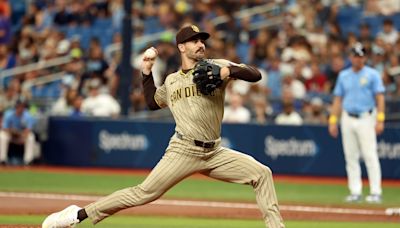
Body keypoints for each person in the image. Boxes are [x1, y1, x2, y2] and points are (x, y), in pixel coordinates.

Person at [42, 25, 285, 228]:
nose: (200, 44)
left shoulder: (215, 65)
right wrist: (146, 73)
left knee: (262, 173)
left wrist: (228, 71)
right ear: (181, 47)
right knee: (143, 193)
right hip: (183, 150)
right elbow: (151, 103)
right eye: (194, 41)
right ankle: (77, 215)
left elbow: (255, 75)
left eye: (202, 40)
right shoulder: (172, 80)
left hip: (215, 152)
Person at [328, 42, 385, 203]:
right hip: (347, 117)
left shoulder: (372, 74)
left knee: (370, 155)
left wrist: (380, 119)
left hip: (366, 117)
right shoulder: (344, 75)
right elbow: (338, 99)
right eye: (354, 56)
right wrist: (333, 120)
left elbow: (380, 97)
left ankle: (375, 192)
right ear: (350, 57)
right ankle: (355, 191)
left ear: (365, 58)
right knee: (351, 156)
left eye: (360, 56)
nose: (357, 59)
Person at [0, 99, 37, 165]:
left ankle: (28, 160)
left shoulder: (27, 115)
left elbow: (28, 130)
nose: (21, 108)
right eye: (19, 106)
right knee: (2, 136)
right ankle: (2, 159)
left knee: (31, 137)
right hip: (10, 134)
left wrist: (21, 136)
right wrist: (12, 132)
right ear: (16, 107)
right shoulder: (9, 114)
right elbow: (5, 128)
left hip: (22, 135)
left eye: (22, 106)